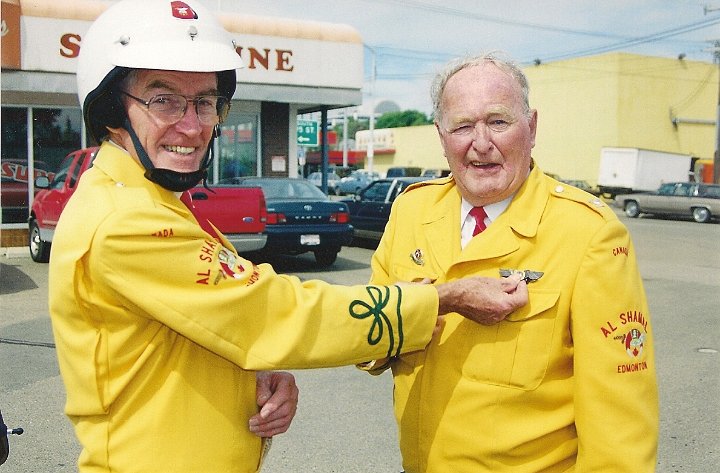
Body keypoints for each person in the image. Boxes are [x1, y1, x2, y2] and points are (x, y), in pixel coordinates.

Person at [48, 3, 530, 472]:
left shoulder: (151, 201)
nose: (192, 125)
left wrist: (247, 378)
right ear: (112, 109)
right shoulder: (126, 222)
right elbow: (272, 313)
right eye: (164, 99)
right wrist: (443, 299)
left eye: (206, 102)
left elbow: (208, 323)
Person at [365, 52, 659, 472]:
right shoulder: (411, 210)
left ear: (532, 127)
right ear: (440, 135)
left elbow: (621, 418)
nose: (481, 144)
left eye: (498, 122)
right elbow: (369, 342)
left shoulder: (588, 231)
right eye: (462, 126)